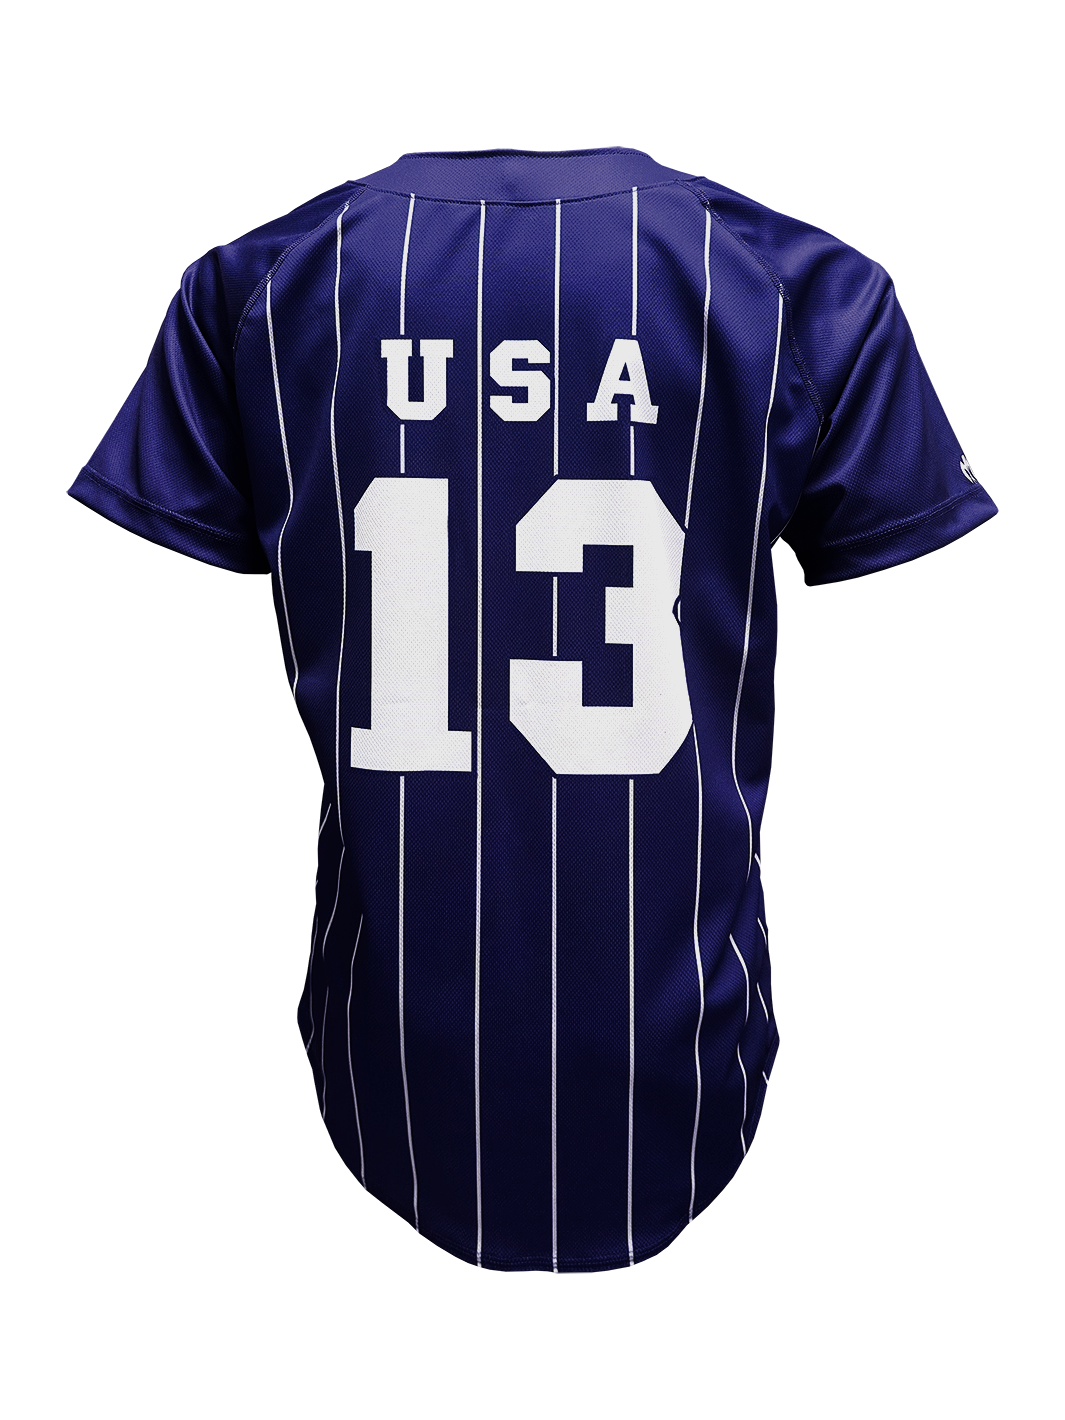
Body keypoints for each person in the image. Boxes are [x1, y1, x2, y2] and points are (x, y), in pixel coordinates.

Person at [68, 146, 997, 1273]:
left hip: (369, 1102)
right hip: (701, 1088)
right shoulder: (795, 282)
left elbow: (118, 622)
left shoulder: (265, 280)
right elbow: (933, 639)